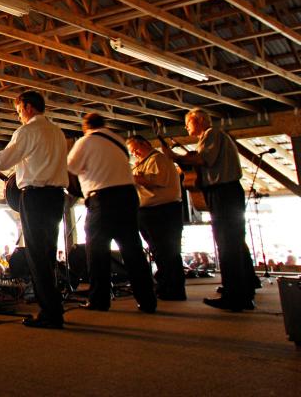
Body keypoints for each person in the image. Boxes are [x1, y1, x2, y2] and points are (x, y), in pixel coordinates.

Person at [0, 90, 68, 329]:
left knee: (37, 257)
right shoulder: (57, 132)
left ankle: (50, 313)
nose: (19, 116)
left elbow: (0, 161)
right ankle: (54, 307)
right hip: (56, 197)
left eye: (19, 111)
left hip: (36, 197)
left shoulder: (27, 131)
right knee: (48, 255)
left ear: (28, 107)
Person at [166, 109, 255, 311]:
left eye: (188, 123)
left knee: (227, 244)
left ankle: (235, 296)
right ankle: (243, 289)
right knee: (234, 242)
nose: (186, 127)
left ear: (199, 121)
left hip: (223, 192)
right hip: (227, 192)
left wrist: (174, 156)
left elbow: (203, 159)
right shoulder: (212, 136)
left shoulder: (212, 134)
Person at [67, 114, 157, 313]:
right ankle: (147, 300)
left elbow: (70, 168)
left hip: (103, 199)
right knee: (133, 250)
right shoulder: (118, 140)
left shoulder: (86, 141)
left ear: (86, 127)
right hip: (128, 196)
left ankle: (100, 300)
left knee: (97, 252)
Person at [126, 135, 186, 301]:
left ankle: (173, 288)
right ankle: (165, 285)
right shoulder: (142, 163)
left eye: (136, 149)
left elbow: (156, 180)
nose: (135, 154)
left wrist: (132, 176)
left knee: (167, 251)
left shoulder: (158, 159)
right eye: (132, 152)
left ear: (145, 144)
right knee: (158, 251)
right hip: (149, 211)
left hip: (162, 211)